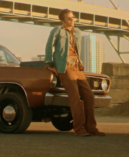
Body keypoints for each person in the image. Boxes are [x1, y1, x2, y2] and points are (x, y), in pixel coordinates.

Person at [45, 8, 105, 137]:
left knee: (89, 96)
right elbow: (48, 46)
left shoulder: (77, 32)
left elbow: (77, 49)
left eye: (73, 18)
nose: (72, 21)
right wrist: (50, 64)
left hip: (77, 67)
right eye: (69, 18)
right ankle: (79, 129)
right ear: (62, 20)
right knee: (75, 97)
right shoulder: (57, 31)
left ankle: (91, 127)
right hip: (64, 67)